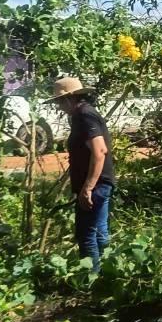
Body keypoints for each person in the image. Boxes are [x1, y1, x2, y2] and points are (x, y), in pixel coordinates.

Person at [52, 77, 115, 274]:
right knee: (100, 231)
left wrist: (88, 188)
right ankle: (109, 275)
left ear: (69, 98)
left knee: (86, 235)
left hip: (96, 186)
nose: (59, 106)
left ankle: (91, 279)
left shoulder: (84, 115)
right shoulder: (85, 113)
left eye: (60, 101)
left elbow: (100, 151)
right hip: (100, 183)